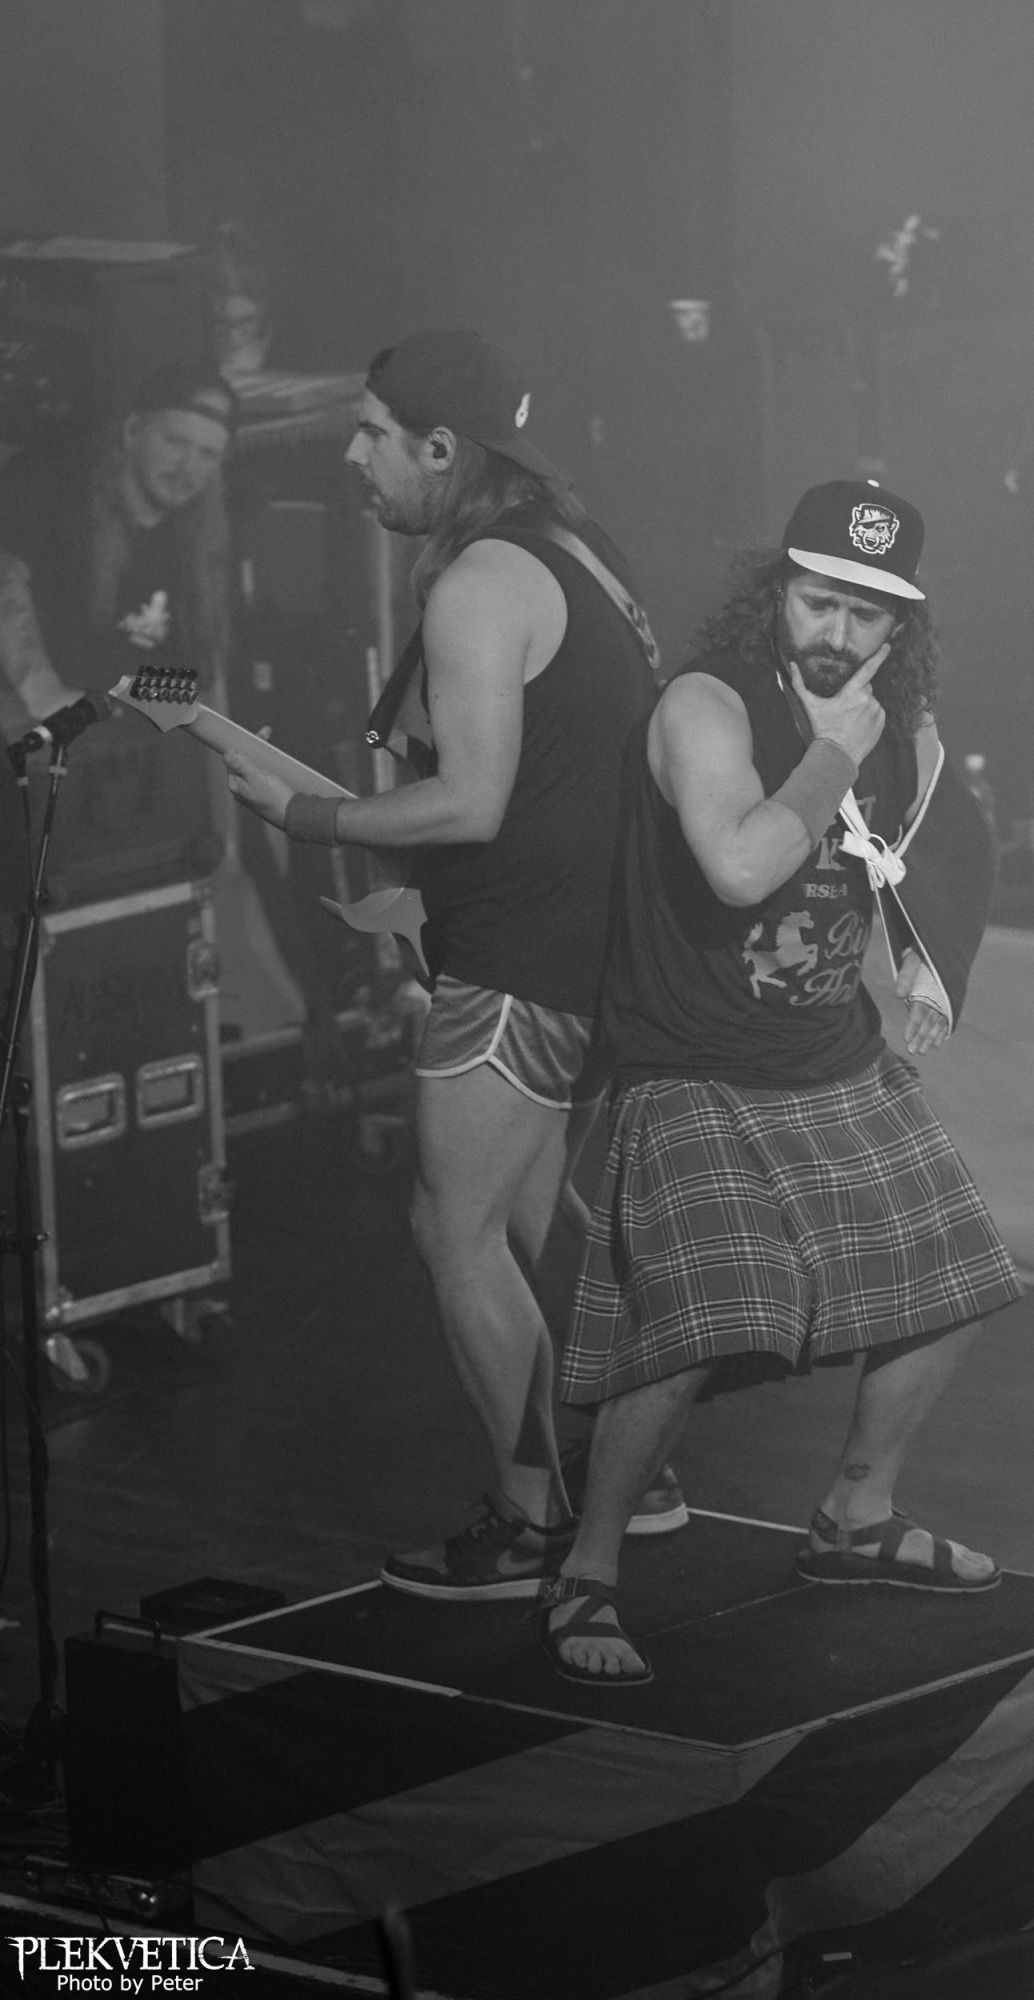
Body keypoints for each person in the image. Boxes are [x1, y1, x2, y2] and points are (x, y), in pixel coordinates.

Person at [538, 479, 1024, 1684]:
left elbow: (941, 841)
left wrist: (927, 962)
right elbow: (741, 867)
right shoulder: (707, 705)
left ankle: (855, 1514)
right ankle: (586, 1568)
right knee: (701, 1315)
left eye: (865, 614)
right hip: (691, 1061)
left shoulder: (895, 725)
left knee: (957, 1274)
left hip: (826, 1055)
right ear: (776, 594)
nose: (835, 635)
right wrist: (827, 755)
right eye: (817, 602)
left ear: (898, 627)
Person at [221, 328, 671, 1599]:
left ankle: (531, 1513)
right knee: (532, 1213)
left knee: (451, 1224)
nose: (350, 455)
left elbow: (472, 801)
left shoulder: (478, 580)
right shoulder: (575, 545)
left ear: (438, 447)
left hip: (525, 954)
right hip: (594, 941)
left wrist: (310, 816)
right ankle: (632, 1471)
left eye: (370, 432)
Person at [0, 362, 236, 741]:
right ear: (132, 431)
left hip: (109, 747)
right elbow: (5, 576)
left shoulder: (198, 540)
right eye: (176, 442)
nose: (189, 467)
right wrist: (41, 688)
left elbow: (197, 678)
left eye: (207, 454)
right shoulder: (52, 488)